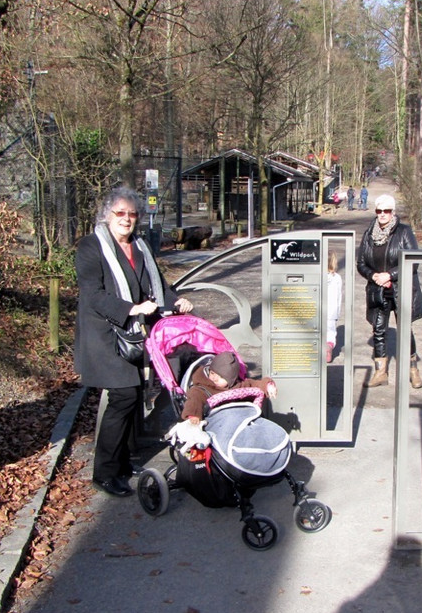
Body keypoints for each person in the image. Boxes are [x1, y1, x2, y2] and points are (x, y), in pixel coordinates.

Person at [75, 187, 194, 497]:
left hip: (131, 335)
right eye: (120, 213)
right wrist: (131, 308)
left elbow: (156, 288)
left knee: (132, 396)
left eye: (132, 214)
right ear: (107, 215)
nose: (126, 219)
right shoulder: (90, 246)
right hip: (103, 336)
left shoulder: (139, 246)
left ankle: (123, 463)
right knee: (124, 396)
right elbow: (93, 294)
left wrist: (176, 301)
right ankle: (104, 473)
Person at [356, 194, 422, 389]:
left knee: (405, 329)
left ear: (392, 212)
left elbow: (414, 261)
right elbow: (361, 263)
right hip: (377, 290)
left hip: (401, 288)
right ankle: (380, 372)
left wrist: (390, 275)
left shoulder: (404, 232)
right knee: (378, 330)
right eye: (379, 211)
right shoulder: (369, 234)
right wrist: (374, 276)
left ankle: (413, 370)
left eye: (386, 211)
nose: (382, 214)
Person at [180, 351, 277, 423]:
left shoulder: (237, 386)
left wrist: (268, 385)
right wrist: (194, 415)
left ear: (231, 381)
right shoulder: (202, 387)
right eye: (212, 373)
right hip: (213, 421)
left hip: (235, 418)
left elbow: (254, 384)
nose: (214, 378)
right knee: (195, 396)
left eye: (221, 377)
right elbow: (194, 400)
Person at [326, 250, 343, 363]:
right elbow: (338, 296)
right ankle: (328, 347)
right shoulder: (336, 278)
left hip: (317, 310)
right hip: (332, 310)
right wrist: (337, 312)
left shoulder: (317, 277)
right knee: (330, 332)